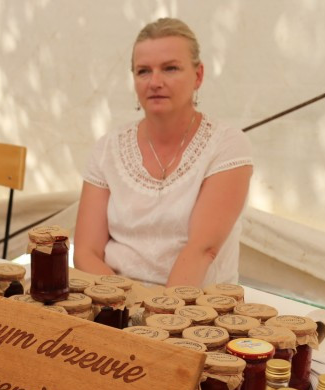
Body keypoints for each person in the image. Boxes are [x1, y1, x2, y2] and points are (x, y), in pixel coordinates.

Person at [73, 18, 253, 287]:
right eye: (143, 71)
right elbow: (86, 252)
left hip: (196, 310)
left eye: (170, 69)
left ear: (198, 76)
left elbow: (203, 250)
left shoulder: (226, 146)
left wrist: (158, 318)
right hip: (116, 300)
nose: (154, 82)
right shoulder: (107, 149)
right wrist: (124, 306)